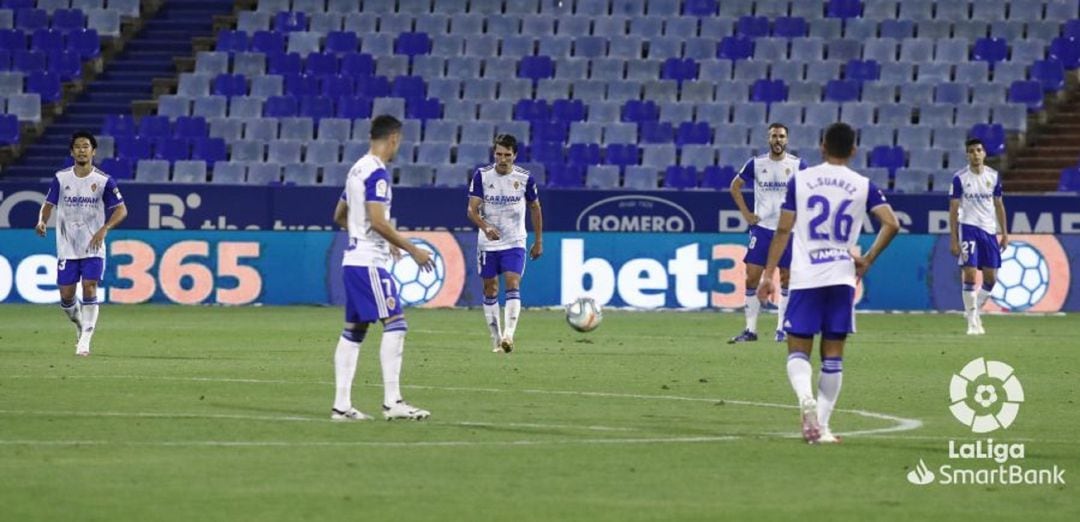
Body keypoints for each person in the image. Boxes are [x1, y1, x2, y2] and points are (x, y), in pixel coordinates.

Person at [758, 123, 899, 444]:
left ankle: (804, 398)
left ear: (822, 146)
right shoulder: (863, 185)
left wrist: (769, 274)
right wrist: (868, 258)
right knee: (833, 355)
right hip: (840, 276)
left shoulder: (801, 180)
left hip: (806, 277)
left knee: (798, 350)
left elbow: (782, 231)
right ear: (853, 150)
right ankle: (821, 427)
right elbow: (892, 223)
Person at [330, 115, 434, 421]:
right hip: (369, 263)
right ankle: (393, 402)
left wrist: (367, 234)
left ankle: (341, 406)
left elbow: (339, 215)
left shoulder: (356, 169)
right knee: (396, 324)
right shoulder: (377, 173)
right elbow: (377, 219)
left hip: (353, 260)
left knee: (354, 330)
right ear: (393, 139)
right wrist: (412, 249)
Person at [35, 131, 127, 356]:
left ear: (93, 151)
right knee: (66, 296)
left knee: (90, 286)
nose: (82, 150)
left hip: (93, 247)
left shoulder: (103, 180)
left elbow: (121, 210)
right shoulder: (61, 178)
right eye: (77, 146)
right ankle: (79, 323)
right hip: (67, 246)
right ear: (72, 151)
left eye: (86, 146)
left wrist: (104, 229)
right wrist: (42, 221)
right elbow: (48, 204)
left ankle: (85, 339)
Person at [728, 123, 807, 344]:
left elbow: (810, 191)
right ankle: (750, 331)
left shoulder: (798, 165)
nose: (778, 140)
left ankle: (782, 329)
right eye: (774, 136)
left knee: (786, 278)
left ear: (787, 140)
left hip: (788, 231)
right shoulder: (756, 163)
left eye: (782, 136)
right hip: (762, 230)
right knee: (752, 278)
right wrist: (746, 213)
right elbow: (735, 186)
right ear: (768, 139)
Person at [466, 134, 543, 353]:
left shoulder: (525, 178)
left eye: (507, 155)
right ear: (494, 154)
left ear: (515, 155)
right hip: (488, 242)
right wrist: (485, 227)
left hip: (514, 240)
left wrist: (538, 241)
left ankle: (509, 335)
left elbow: (535, 208)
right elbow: (471, 210)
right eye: (499, 154)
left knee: (513, 282)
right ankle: (495, 338)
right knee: (490, 287)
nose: (502, 159)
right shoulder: (482, 176)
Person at [948, 138, 1008, 335]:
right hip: (968, 227)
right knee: (971, 274)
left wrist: (1004, 234)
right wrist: (954, 238)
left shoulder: (994, 176)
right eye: (971, 151)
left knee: (991, 279)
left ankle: (972, 310)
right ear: (967, 155)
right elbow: (953, 208)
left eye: (978, 150)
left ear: (984, 153)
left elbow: (999, 205)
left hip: (989, 231)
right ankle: (972, 322)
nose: (975, 154)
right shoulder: (960, 178)